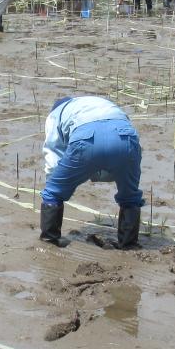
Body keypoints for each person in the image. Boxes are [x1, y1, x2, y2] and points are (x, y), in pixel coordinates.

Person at [40, 96, 144, 250]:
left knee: (53, 193)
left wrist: (55, 183)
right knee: (130, 196)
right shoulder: (100, 103)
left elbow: (53, 153)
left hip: (86, 138)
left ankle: (50, 240)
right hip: (125, 138)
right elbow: (127, 133)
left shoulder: (55, 114)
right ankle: (128, 244)